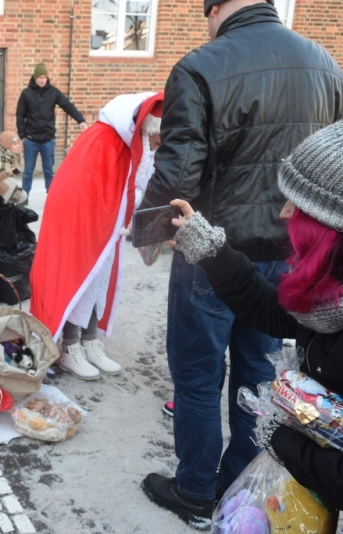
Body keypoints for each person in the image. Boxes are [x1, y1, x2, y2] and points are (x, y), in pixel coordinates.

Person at [137, 0, 343, 529]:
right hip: (300, 256)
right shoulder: (326, 63)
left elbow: (179, 169)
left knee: (199, 374)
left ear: (214, 10)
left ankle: (195, 488)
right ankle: (239, 483)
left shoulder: (201, 65)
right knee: (261, 373)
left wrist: (150, 231)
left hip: (215, 252)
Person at [167, 119, 343, 514]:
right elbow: (272, 312)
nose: (283, 214)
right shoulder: (332, 296)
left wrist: (282, 440)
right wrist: (211, 249)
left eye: (298, 206)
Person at [30, 92, 163, 380]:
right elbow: (98, 190)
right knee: (79, 280)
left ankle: (89, 341)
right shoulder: (105, 140)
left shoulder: (129, 143)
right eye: (157, 139)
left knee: (97, 283)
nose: (157, 146)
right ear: (148, 129)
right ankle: (70, 347)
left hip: (103, 225)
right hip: (81, 223)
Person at [15, 62, 88, 195]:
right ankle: (24, 197)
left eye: (45, 77)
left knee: (49, 171)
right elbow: (20, 116)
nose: (42, 80)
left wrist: (81, 120)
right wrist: (23, 137)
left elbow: (68, 106)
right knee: (28, 172)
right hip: (30, 140)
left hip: (48, 140)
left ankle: (51, 197)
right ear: (34, 78)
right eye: (40, 78)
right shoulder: (26, 94)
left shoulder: (53, 92)